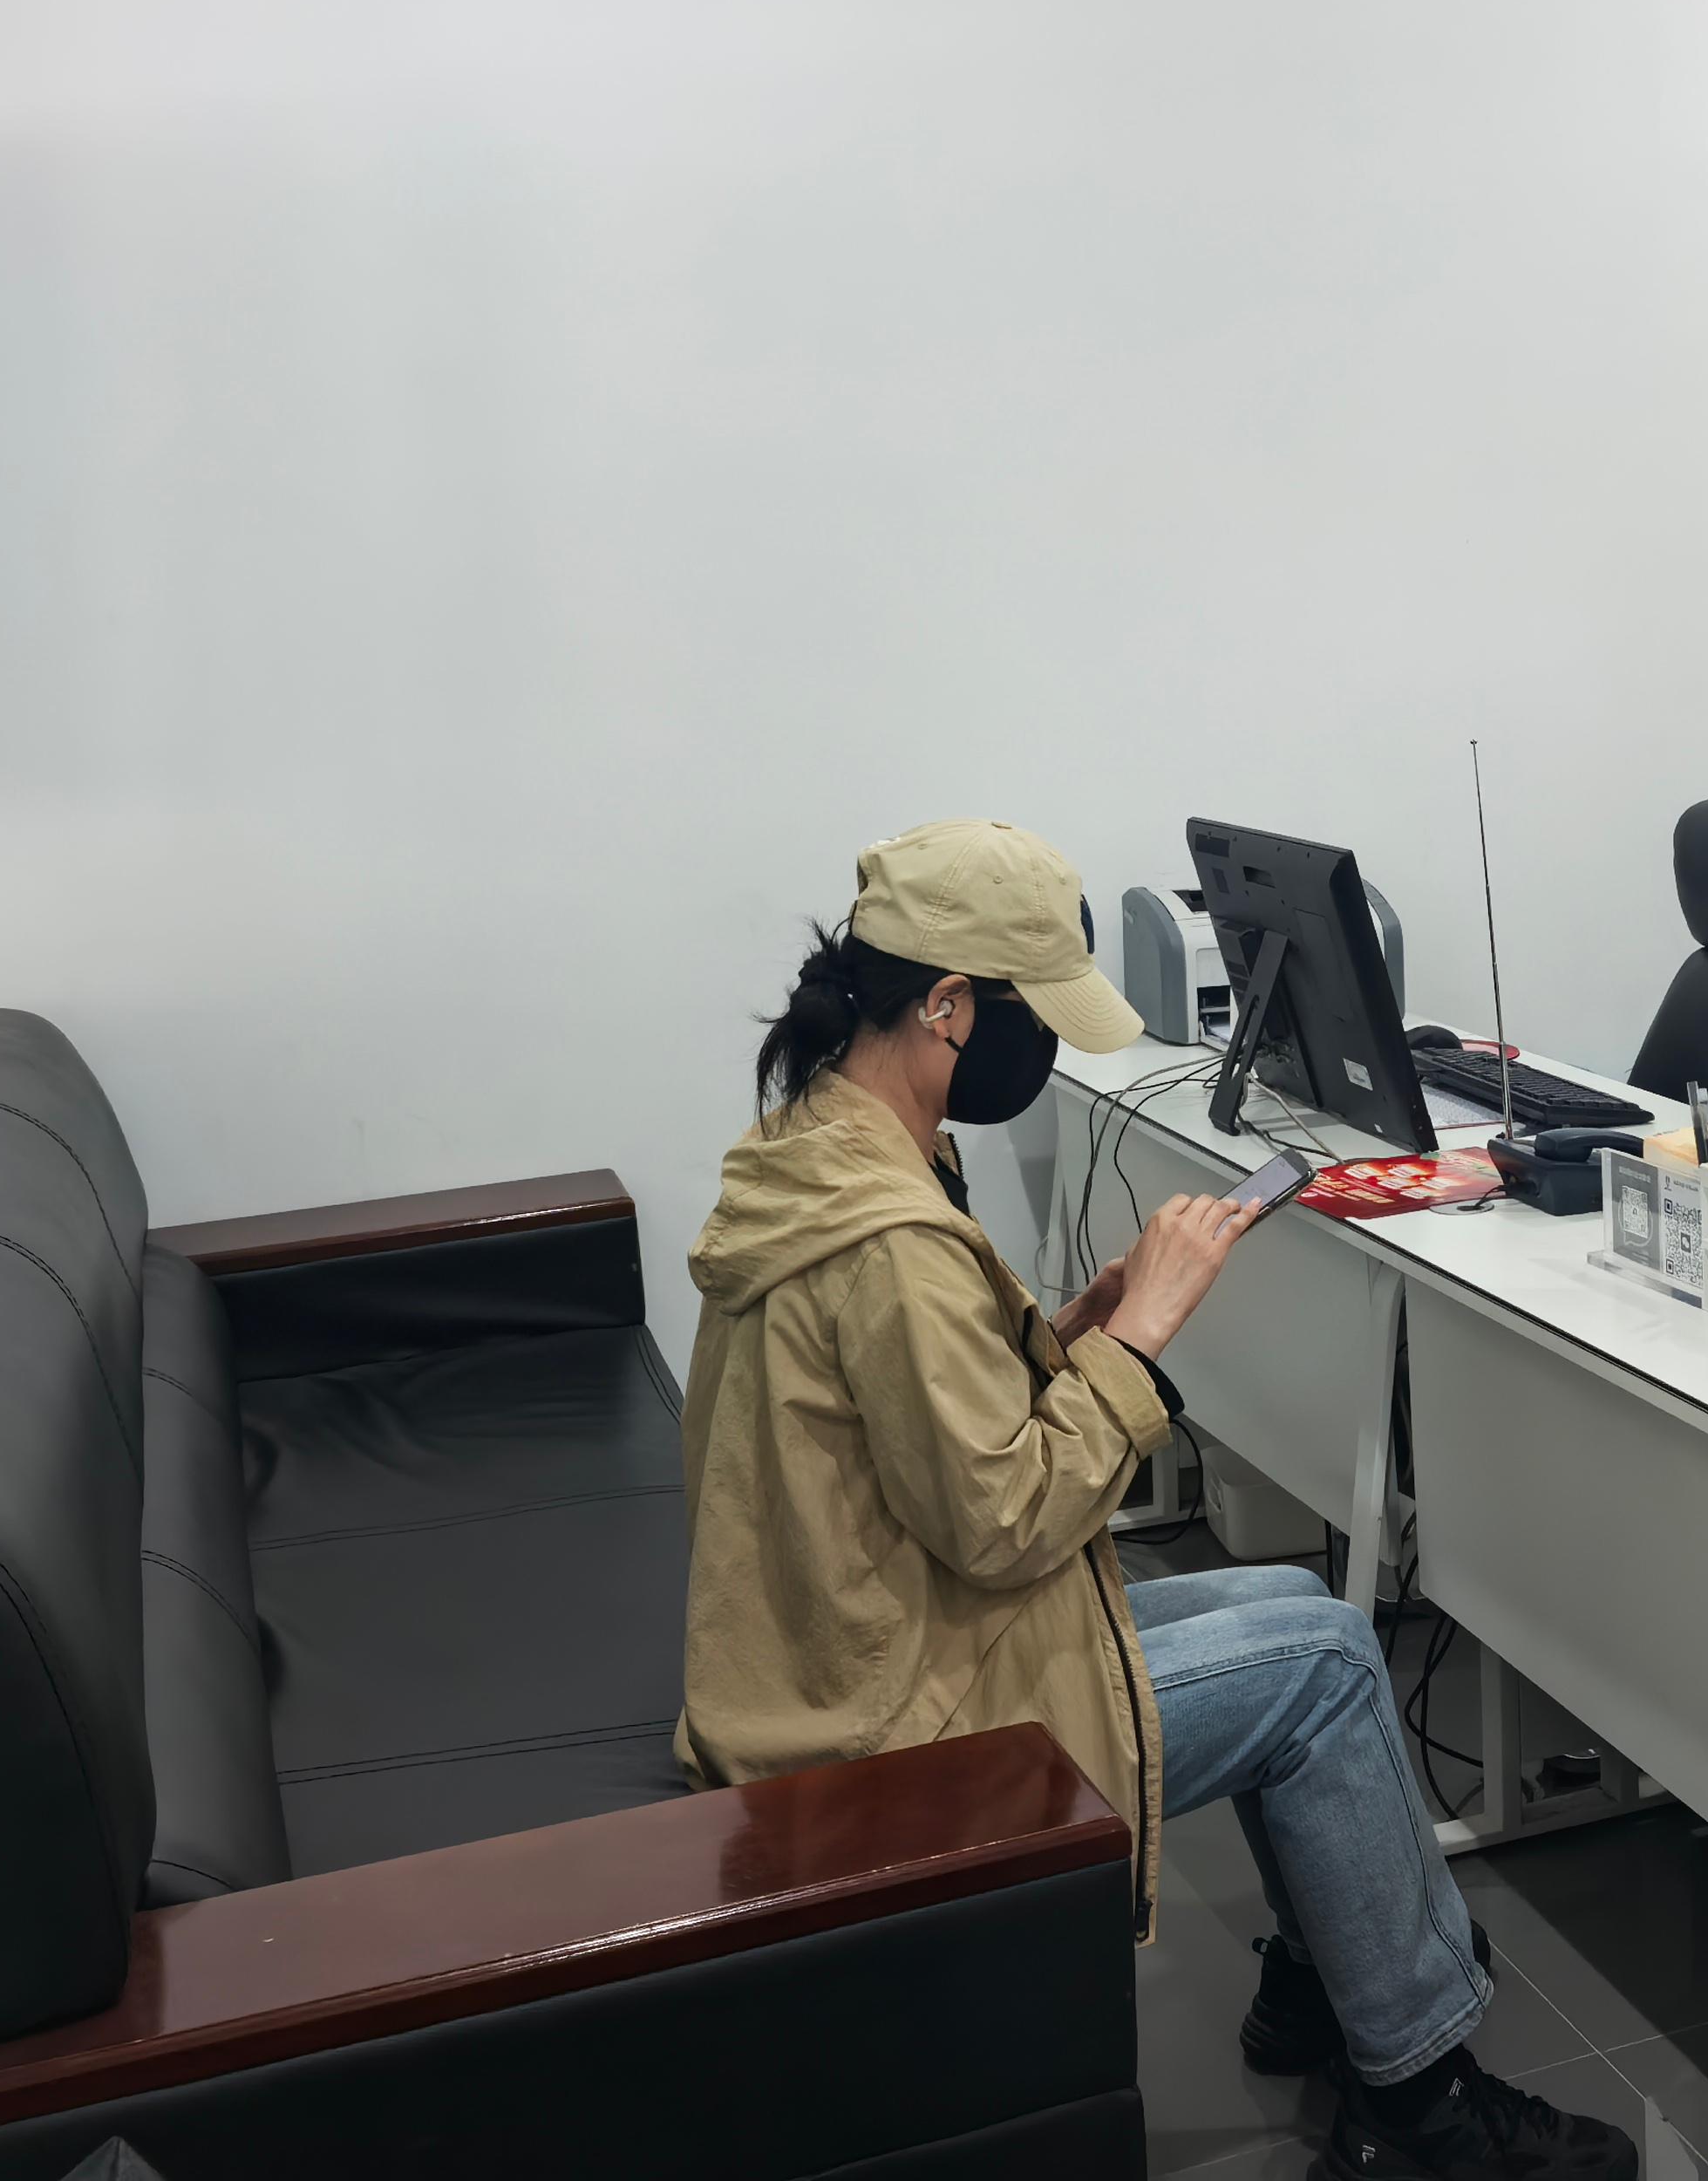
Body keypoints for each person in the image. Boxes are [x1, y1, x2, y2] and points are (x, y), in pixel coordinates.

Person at [677, 821, 1637, 2181]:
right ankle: (1421, 2103)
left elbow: (922, 1435)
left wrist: (1072, 1329)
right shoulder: (889, 1239)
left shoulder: (822, 1148)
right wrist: (1142, 1339)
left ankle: (1324, 1984)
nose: (1042, 1051)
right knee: (1325, 1662)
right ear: (946, 1006)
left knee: (1292, 1597)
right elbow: (1005, 1520)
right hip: (883, 1728)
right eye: (1030, 1017)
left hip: (861, 1645)